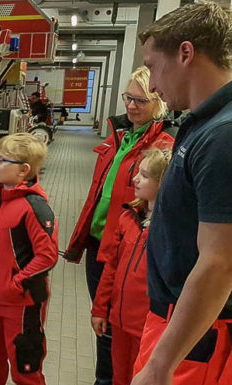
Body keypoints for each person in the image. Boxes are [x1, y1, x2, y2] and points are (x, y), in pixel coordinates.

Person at [132, 3, 232, 385]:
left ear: (185, 53)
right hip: (180, 325)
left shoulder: (222, 136)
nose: (152, 84)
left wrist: (161, 364)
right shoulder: (203, 124)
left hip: (197, 339)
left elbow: (219, 264)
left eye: (154, 66)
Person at [63, 66, 175, 385]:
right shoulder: (121, 137)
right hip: (99, 242)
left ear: (159, 103)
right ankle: (106, 377)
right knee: (103, 322)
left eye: (140, 100)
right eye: (128, 98)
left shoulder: (162, 146)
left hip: (126, 247)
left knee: (117, 325)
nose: (131, 106)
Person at [0, 133, 58, 385]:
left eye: (2, 160)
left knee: (25, 368)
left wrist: (16, 283)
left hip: (22, 304)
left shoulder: (34, 207)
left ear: (23, 170)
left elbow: (47, 256)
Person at [91, 148, 172, 385]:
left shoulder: (172, 229)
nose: (135, 178)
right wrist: (100, 308)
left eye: (145, 175)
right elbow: (112, 268)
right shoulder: (129, 217)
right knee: (119, 375)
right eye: (138, 172)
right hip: (119, 320)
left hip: (149, 327)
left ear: (164, 183)